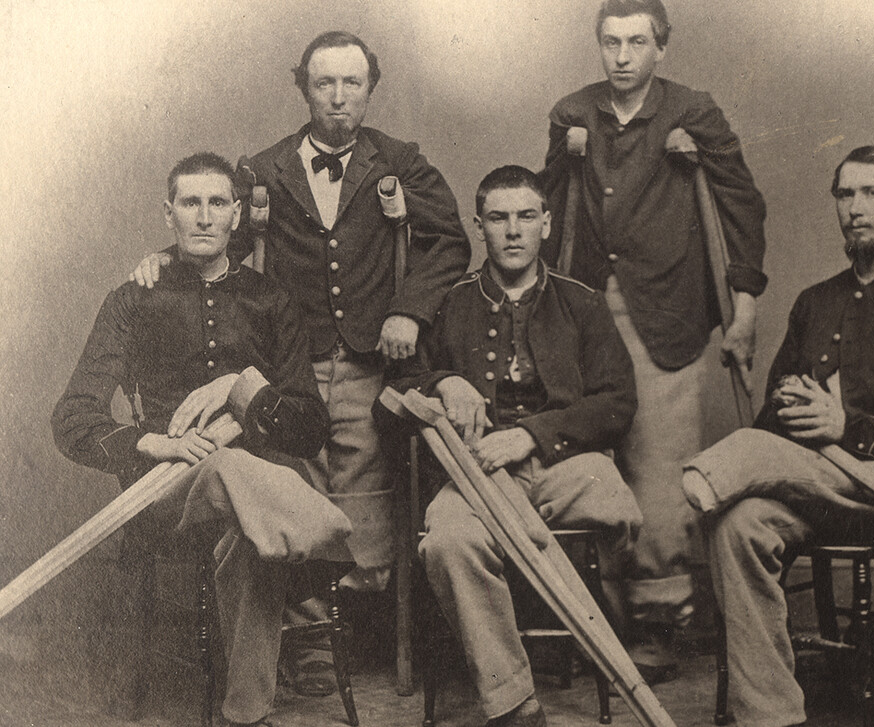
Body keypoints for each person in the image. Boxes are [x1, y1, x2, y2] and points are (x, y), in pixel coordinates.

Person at [130, 31, 471, 693]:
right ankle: (313, 642)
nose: (339, 98)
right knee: (297, 489)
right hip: (291, 361)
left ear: (370, 86)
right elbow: (215, 230)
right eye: (325, 84)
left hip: (373, 359)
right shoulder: (264, 167)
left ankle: (365, 628)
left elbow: (448, 242)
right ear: (303, 88)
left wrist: (410, 309)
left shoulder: (400, 159)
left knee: (366, 490)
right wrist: (162, 258)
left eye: (352, 83)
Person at [682, 146, 874, 727]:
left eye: (872, 193)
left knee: (748, 456)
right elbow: (774, 412)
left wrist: (846, 425)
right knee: (738, 525)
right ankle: (770, 713)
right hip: (817, 495)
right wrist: (794, 412)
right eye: (845, 194)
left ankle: (708, 473)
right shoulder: (815, 302)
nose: (855, 209)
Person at [53, 153, 354, 727]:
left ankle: (245, 715)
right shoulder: (134, 298)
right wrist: (151, 444)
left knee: (244, 518)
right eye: (190, 203)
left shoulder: (271, 302)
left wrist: (241, 387)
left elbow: (309, 426)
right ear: (169, 214)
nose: (204, 216)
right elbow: (71, 418)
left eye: (218, 203)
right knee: (226, 469)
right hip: (164, 497)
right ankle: (328, 536)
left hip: (251, 507)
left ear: (237, 214)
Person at [540, 0, 769, 677]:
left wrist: (746, 307)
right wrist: (563, 160)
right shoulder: (572, 112)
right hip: (579, 306)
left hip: (664, 309)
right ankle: (592, 614)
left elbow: (741, 203)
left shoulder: (692, 111)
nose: (621, 56)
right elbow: (539, 206)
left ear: (660, 48)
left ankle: (662, 618)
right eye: (610, 42)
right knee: (584, 454)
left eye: (637, 42)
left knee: (659, 465)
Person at [387, 166, 642, 727]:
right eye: (498, 218)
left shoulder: (583, 302)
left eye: (526, 216)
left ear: (546, 224)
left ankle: (609, 625)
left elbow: (617, 402)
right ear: (479, 227)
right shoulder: (449, 303)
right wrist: (443, 381)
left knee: (617, 507)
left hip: (564, 462)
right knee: (447, 542)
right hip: (473, 474)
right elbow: (400, 385)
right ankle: (513, 702)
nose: (513, 230)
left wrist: (531, 435)